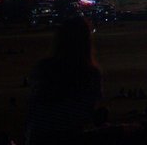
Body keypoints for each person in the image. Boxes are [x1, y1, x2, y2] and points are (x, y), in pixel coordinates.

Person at [24, 15, 103, 144]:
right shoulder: (89, 74)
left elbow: (33, 109)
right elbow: (85, 114)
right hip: (67, 136)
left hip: (38, 137)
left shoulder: (43, 68)